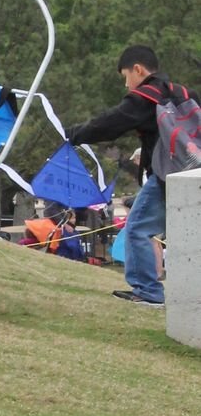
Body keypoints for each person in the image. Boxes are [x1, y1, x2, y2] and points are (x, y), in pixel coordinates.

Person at [66, 44, 196, 305]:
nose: (127, 85)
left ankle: (147, 292)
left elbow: (109, 123)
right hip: (193, 172)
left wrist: (72, 134)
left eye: (126, 77)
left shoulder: (146, 96)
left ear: (138, 69)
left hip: (166, 174)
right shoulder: (184, 93)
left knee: (137, 228)